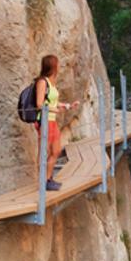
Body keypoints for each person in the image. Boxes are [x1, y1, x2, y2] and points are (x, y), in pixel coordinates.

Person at [33, 53, 79, 191]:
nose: (59, 66)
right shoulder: (42, 82)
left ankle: (48, 178)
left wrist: (67, 106)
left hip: (51, 121)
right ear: (52, 66)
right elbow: (39, 104)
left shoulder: (51, 83)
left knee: (56, 150)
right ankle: (44, 180)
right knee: (44, 152)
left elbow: (52, 101)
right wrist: (54, 110)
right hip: (45, 121)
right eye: (57, 63)